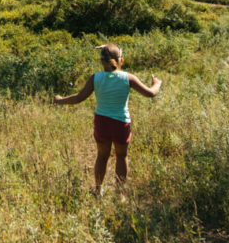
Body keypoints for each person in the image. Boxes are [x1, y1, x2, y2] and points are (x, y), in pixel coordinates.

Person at [52, 43, 162, 194]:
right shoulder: (128, 78)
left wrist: (60, 100)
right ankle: (120, 194)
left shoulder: (95, 78)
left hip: (102, 123)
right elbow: (150, 93)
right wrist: (156, 84)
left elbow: (78, 98)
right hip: (121, 123)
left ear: (101, 61)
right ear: (120, 60)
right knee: (121, 157)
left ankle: (98, 190)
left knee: (102, 156)